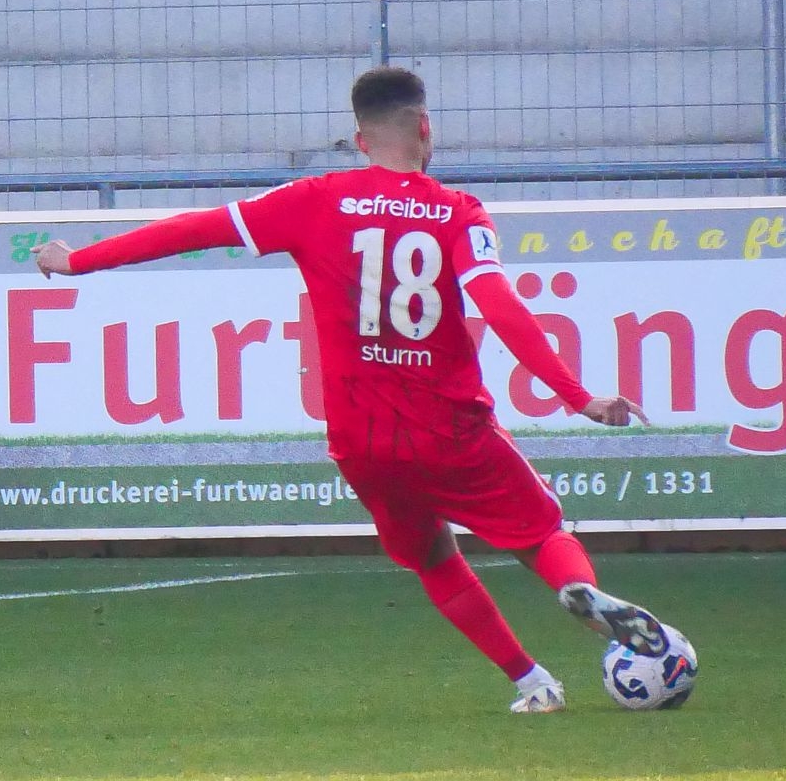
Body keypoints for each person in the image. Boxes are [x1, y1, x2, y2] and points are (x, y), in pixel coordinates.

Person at [33, 66, 676, 713]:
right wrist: (577, 396)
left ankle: (531, 683)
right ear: (425, 129)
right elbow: (498, 303)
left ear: (360, 140)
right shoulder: (459, 213)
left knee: (433, 559)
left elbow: (192, 230)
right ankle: (577, 589)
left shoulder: (313, 199)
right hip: (450, 427)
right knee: (541, 534)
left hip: (363, 441)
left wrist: (78, 261)